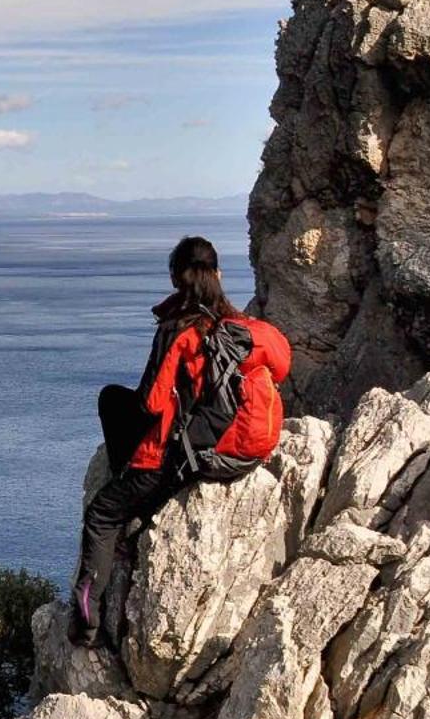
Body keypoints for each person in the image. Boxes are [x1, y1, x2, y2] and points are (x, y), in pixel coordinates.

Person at [71, 235, 289, 644]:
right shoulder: (241, 328)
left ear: (175, 278)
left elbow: (153, 403)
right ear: (218, 275)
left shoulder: (182, 331)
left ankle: (86, 622)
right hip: (239, 450)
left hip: (180, 457)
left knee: (102, 514)